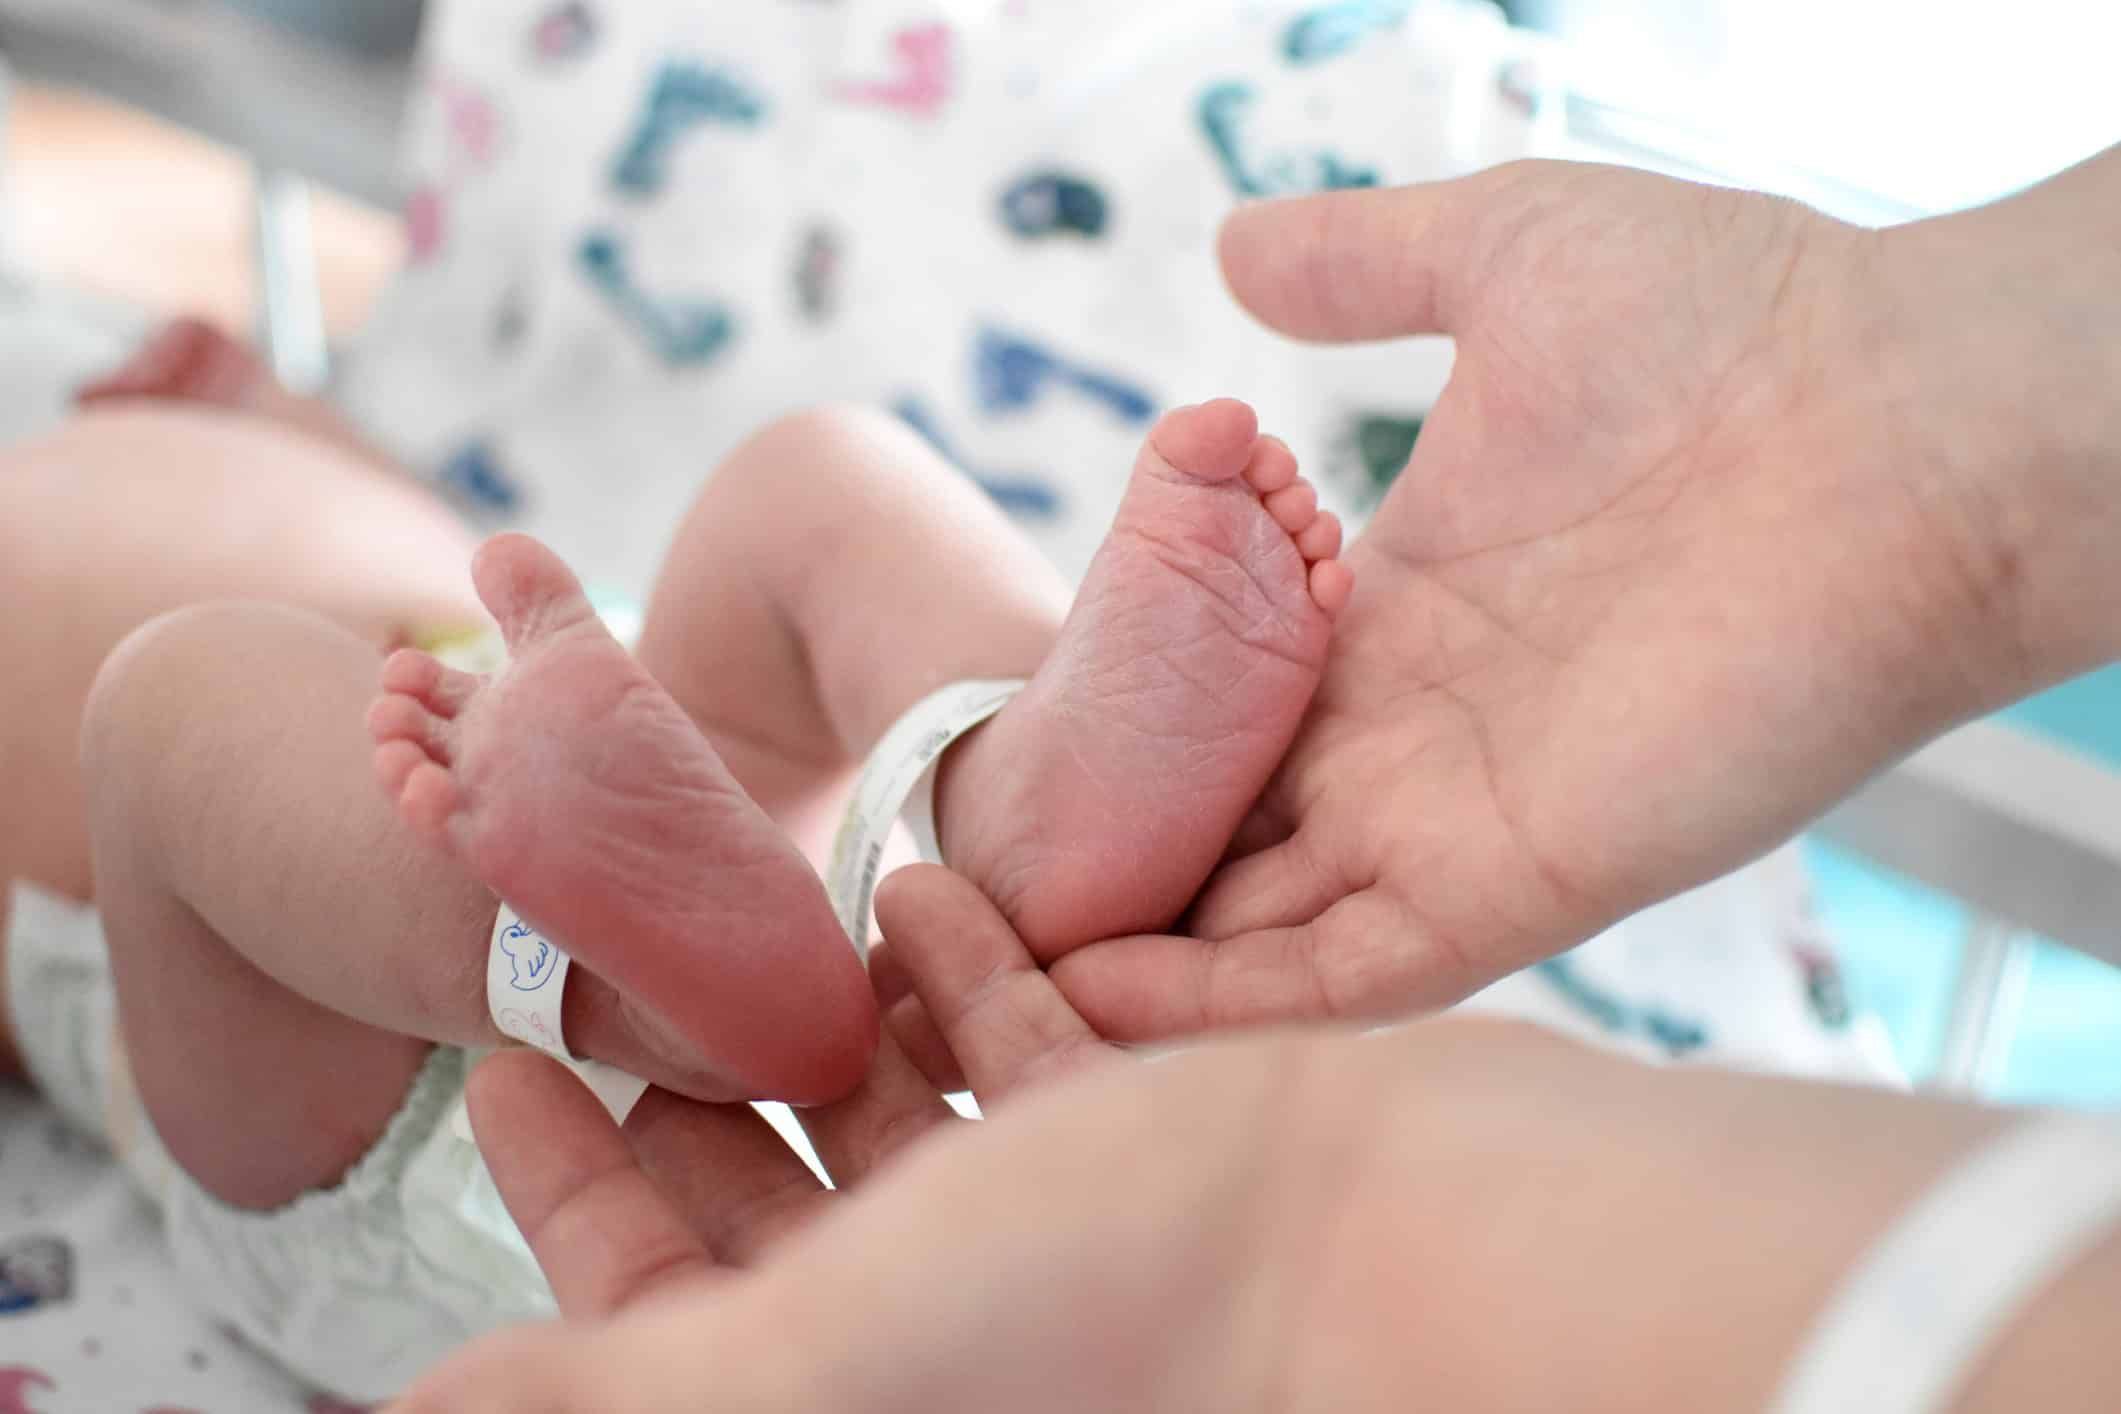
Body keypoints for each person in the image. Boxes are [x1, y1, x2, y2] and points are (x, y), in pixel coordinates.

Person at [403, 146, 2121, 1409]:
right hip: (669, 833)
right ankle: (978, 793)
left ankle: (933, 837)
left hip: (514, 984)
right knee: (811, 498)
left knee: (268, 715)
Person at [14, 366, 1347, 1395]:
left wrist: (264, 402)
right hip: (337, 1050)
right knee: (166, 709)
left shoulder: (148, 417)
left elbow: (432, 535)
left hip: (655, 799)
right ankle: (610, 979)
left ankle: (1012, 790)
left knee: (805, 480)